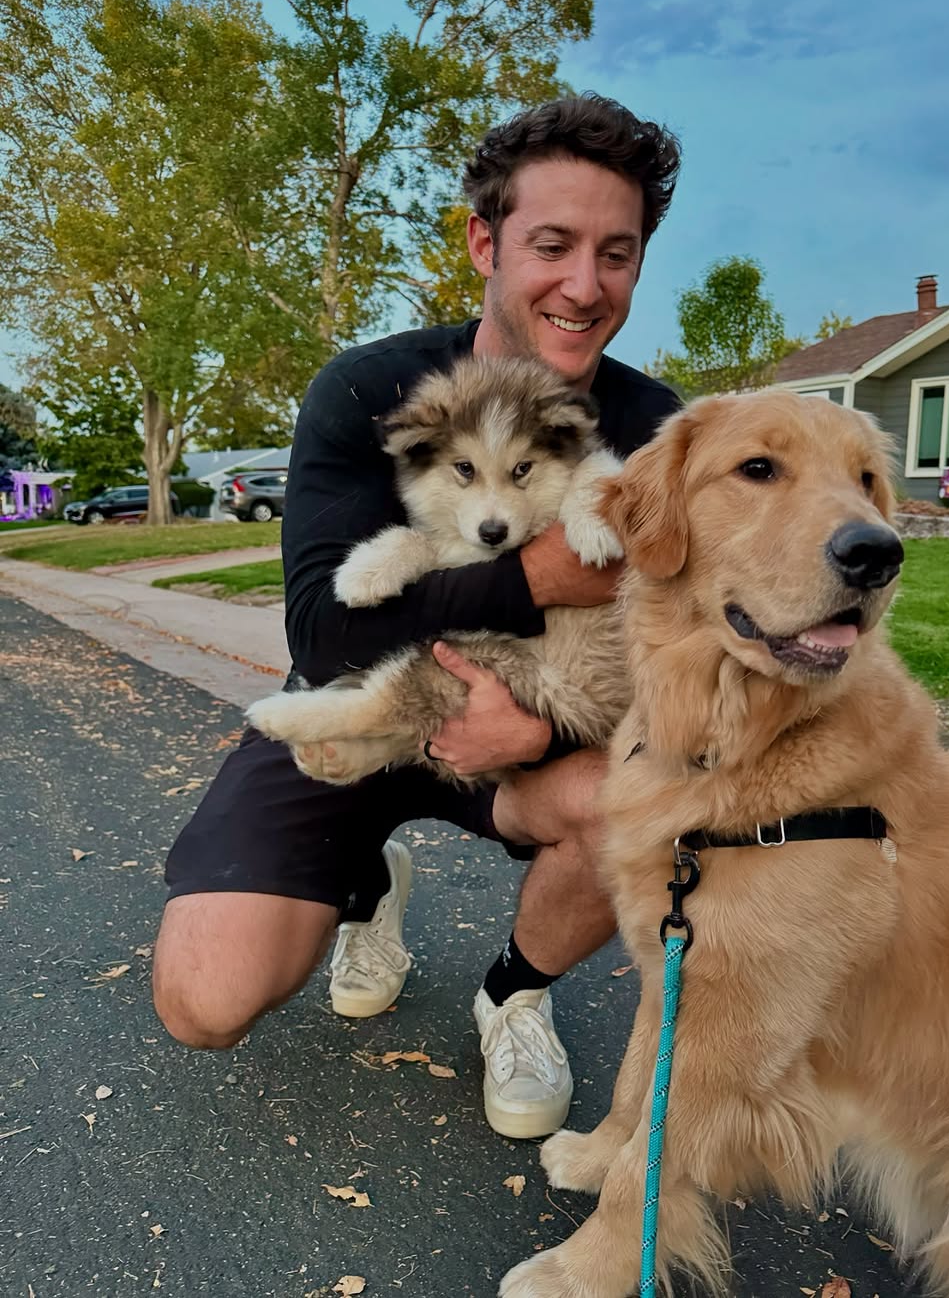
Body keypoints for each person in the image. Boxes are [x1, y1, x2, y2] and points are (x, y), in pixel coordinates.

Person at [153, 92, 682, 1141]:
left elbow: (668, 660)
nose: (585, 285)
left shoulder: (651, 425)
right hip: (366, 704)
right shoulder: (370, 388)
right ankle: (366, 882)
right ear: (485, 240)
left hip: (533, 730)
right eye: (553, 244)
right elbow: (322, 630)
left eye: (616, 254)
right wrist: (533, 578)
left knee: (638, 797)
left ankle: (514, 993)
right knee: (203, 1000)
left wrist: (543, 731)